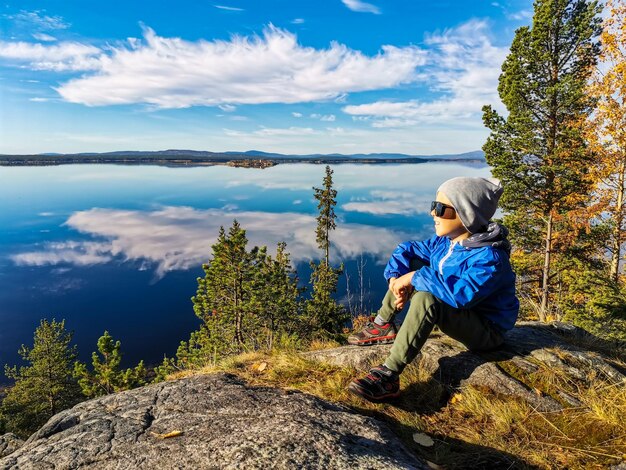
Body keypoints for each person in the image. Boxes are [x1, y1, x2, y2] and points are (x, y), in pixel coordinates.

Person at [347, 176, 519, 402]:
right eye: (433, 206)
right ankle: (382, 324)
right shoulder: (447, 242)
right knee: (412, 267)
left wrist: (414, 277)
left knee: (427, 296)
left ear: (466, 214)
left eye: (441, 209)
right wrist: (395, 279)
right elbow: (407, 250)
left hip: (486, 332)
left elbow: (461, 295)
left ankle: (389, 374)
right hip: (461, 318)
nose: (433, 214)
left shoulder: (489, 258)